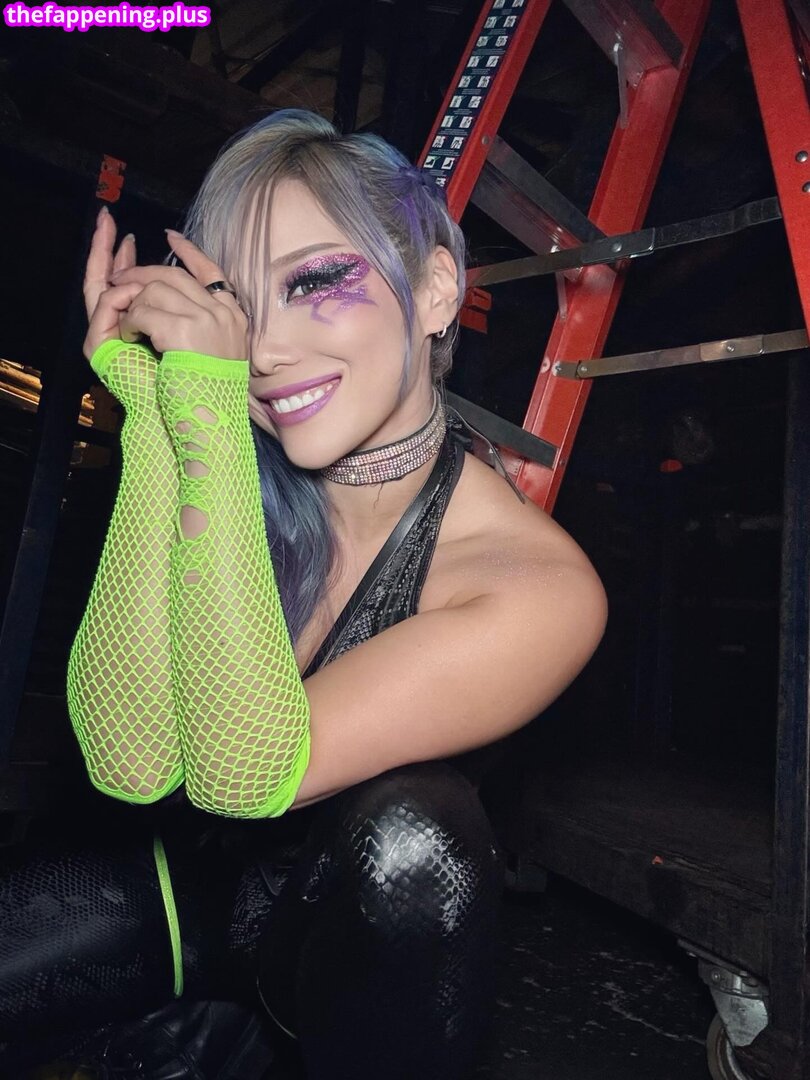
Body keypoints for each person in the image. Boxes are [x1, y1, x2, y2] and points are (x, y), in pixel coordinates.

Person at [0, 109, 607, 1078]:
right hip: (172, 903)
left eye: (314, 281)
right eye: (240, 307)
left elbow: (246, 772)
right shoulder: (224, 459)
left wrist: (201, 411)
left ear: (435, 290)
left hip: (331, 962)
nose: (265, 351)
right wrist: (153, 414)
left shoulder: (538, 588)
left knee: (417, 837)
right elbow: (131, 760)